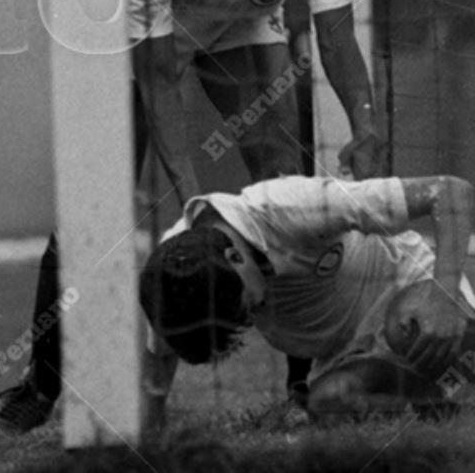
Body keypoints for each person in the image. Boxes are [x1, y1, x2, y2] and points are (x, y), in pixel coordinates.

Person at [0, 0, 388, 437]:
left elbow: (336, 37)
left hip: (239, 25)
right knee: (93, 200)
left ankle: (301, 388)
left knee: (283, 174)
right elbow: (160, 76)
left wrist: (366, 122)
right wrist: (193, 199)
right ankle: (38, 389)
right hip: (135, 44)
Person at [140, 174, 475, 426]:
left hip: (409, 291)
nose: (249, 320)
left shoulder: (289, 205)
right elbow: (158, 361)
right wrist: (149, 438)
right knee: (330, 401)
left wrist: (442, 297)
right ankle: (439, 400)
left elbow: (451, 193)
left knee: (406, 325)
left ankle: (456, 369)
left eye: (245, 311)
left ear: (235, 257)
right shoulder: (175, 279)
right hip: (347, 354)